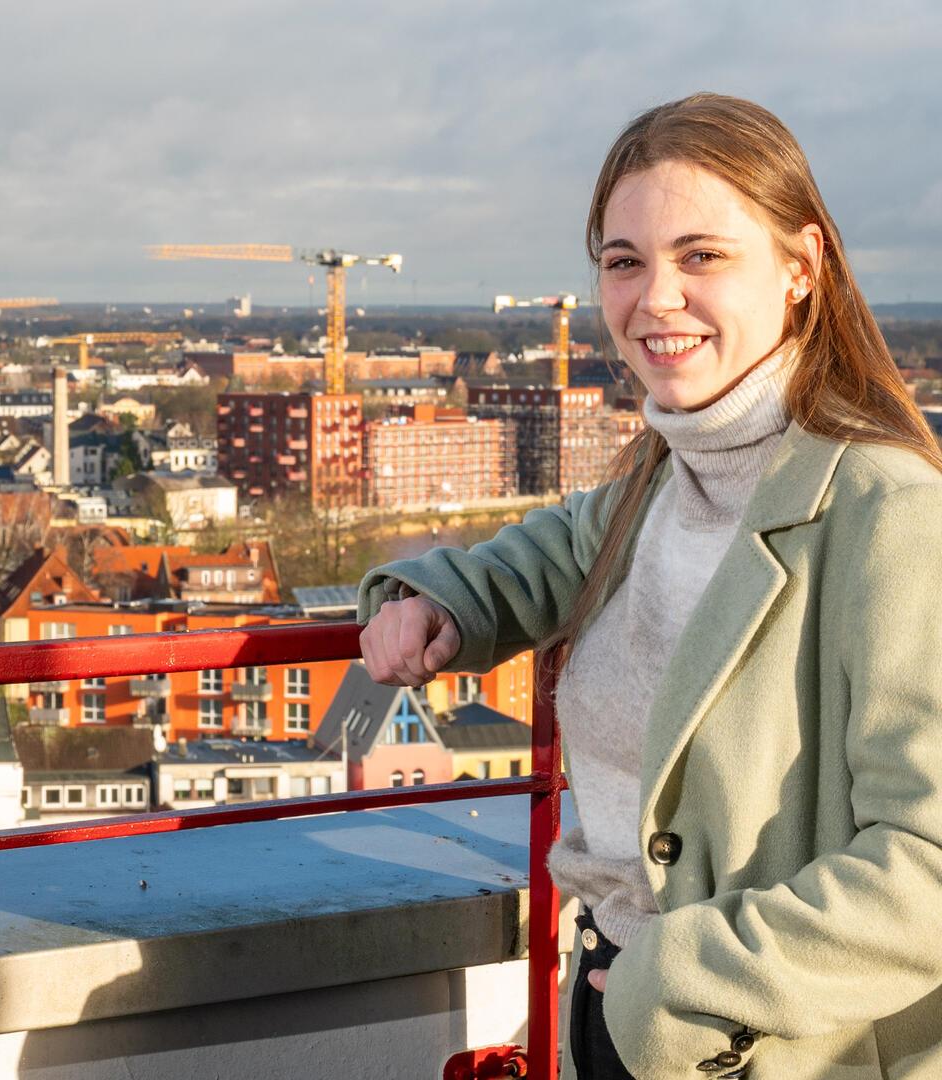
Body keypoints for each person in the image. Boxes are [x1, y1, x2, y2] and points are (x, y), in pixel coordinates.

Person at [357, 93, 942, 1079]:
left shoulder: (887, 513)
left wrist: (677, 974)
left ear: (801, 268)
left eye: (702, 255)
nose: (655, 298)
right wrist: (435, 599)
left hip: (769, 1042)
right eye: (625, 261)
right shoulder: (658, 481)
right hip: (616, 1011)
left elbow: (928, 869)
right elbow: (550, 554)